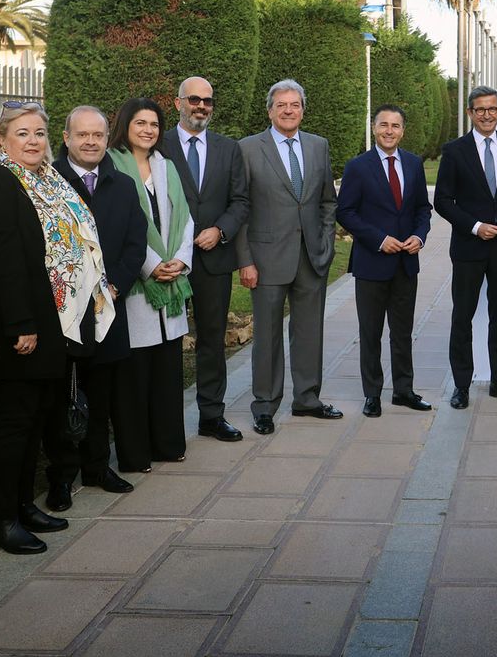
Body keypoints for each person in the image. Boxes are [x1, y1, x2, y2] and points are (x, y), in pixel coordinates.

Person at [0, 101, 114, 555]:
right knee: (14, 423)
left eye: (38, 133)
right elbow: (2, 262)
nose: (33, 141)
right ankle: (1, 520)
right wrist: (20, 324)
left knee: (35, 421)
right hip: (22, 326)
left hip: (52, 322)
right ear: (1, 139)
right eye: (22, 133)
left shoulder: (44, 178)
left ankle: (22, 507)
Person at [48, 106, 148, 506]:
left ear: (107, 139)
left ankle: (96, 466)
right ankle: (61, 475)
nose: (90, 142)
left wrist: (114, 288)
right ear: (67, 137)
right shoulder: (50, 182)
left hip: (108, 308)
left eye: (98, 135)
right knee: (63, 395)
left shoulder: (122, 185)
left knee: (102, 393)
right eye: (82, 135)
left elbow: (134, 244)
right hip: (65, 312)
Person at [234, 79, 340, 435]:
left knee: (310, 332)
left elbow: (327, 201)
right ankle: (264, 405)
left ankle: (307, 399)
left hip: (312, 256)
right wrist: (245, 260)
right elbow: (241, 209)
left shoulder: (318, 146)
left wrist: (326, 243)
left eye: (295, 104)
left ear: (303, 110)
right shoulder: (248, 149)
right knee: (267, 336)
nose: (289, 110)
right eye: (282, 105)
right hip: (265, 260)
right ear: (270, 110)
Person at [157, 76, 250, 443]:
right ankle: (165, 421)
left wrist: (220, 231)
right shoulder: (157, 145)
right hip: (168, 262)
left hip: (214, 258)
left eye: (208, 101)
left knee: (212, 339)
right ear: (178, 103)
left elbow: (240, 200)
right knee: (165, 343)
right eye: (194, 99)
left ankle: (211, 415)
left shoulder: (229, 149)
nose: (201, 106)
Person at [434, 85, 497, 409]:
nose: (486, 114)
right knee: (462, 317)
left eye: (492, 108)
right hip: (469, 247)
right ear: (470, 113)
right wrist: (475, 226)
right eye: (479, 109)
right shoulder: (455, 150)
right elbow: (442, 200)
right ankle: (462, 386)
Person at [108, 97, 195, 467]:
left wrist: (181, 260)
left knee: (166, 372)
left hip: (172, 282)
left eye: (154, 125)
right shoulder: (112, 166)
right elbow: (118, 227)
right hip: (137, 285)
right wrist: (152, 264)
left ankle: (168, 444)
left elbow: (185, 218)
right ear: (125, 125)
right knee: (134, 377)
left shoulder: (167, 166)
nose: (148, 130)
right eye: (141, 123)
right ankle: (135, 453)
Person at [336, 104, 434, 416]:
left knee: (403, 331)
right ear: (374, 127)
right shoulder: (358, 166)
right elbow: (345, 212)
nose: (389, 131)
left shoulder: (413, 164)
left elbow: (422, 209)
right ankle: (373, 394)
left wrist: (419, 236)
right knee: (371, 332)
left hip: (406, 262)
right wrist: (379, 240)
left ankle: (404, 390)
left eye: (395, 125)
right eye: (383, 125)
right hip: (371, 262)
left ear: (403, 130)